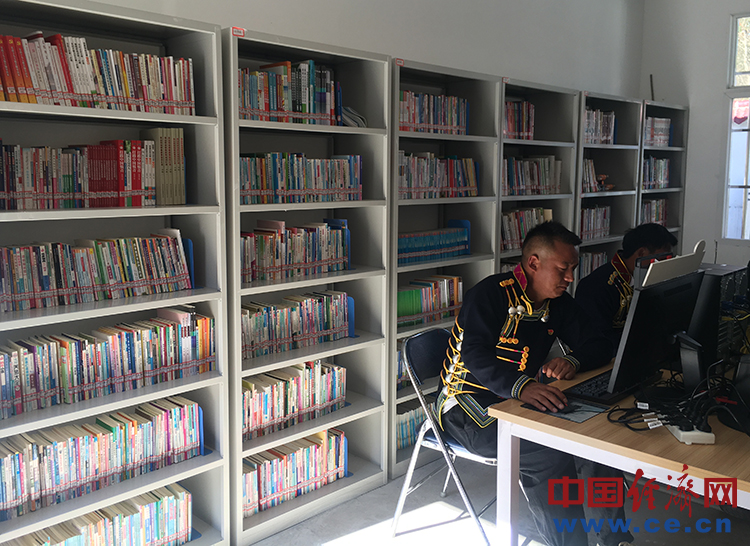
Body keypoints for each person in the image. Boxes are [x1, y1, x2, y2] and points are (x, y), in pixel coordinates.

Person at [436, 221, 633, 546]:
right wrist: (522, 387)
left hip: (522, 399)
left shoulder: (559, 303)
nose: (570, 278)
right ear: (533, 263)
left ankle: (614, 539)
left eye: (572, 269)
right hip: (467, 408)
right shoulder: (489, 294)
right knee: (550, 455)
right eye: (563, 269)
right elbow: (475, 355)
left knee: (597, 440)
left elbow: (599, 343)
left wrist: (573, 361)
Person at [575, 223, 678, 352]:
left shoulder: (651, 277)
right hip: (613, 354)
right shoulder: (595, 287)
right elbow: (599, 339)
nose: (665, 264)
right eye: (662, 258)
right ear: (641, 253)